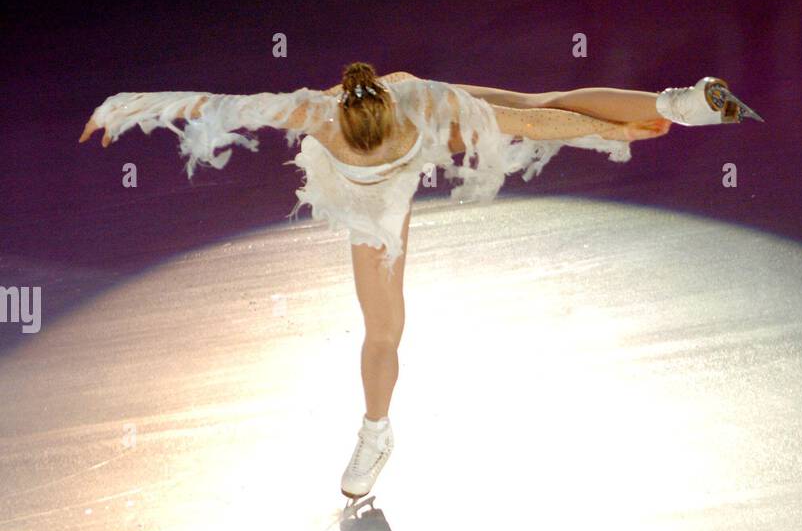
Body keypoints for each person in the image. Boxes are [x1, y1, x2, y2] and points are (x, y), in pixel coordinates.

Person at [79, 64, 761, 497]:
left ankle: (680, 101)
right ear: (341, 123)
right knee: (383, 331)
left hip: (424, 137)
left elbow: (530, 120)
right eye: (362, 142)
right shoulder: (312, 112)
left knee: (534, 99)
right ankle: (377, 432)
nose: (371, 147)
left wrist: (611, 132)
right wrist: (120, 106)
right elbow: (214, 102)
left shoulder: (427, 106)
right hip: (369, 204)